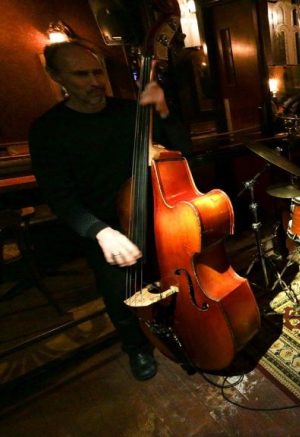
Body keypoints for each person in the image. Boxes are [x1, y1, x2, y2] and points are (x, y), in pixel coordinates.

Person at [29, 41, 192, 381]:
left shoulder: (131, 112)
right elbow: (60, 197)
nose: (94, 81)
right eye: (80, 74)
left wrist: (163, 110)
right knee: (121, 296)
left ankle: (182, 328)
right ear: (54, 76)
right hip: (104, 228)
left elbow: (183, 149)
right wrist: (99, 231)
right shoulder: (48, 131)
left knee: (174, 282)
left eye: (96, 72)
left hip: (157, 219)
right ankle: (135, 347)